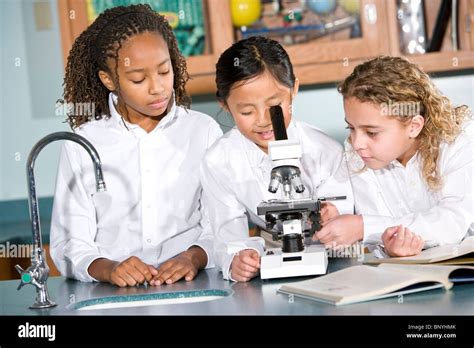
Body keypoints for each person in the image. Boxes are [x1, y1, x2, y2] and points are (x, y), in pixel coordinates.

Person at [50, 4, 222, 287]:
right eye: (138, 79)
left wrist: (194, 257)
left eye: (165, 72)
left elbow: (223, 224)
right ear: (109, 80)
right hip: (111, 295)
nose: (157, 88)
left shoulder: (202, 132)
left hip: (195, 286)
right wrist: (107, 269)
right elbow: (68, 243)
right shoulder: (83, 143)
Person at [200, 36, 354, 282]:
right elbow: (228, 232)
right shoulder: (219, 161)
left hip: (333, 268)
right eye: (247, 111)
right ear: (225, 105)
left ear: (293, 90)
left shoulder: (324, 149)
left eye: (274, 105)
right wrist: (238, 257)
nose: (263, 120)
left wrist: (333, 213)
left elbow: (344, 207)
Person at [314, 56, 473, 257]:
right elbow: (379, 242)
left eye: (371, 132)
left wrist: (364, 227)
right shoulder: (359, 154)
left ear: (414, 126)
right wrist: (390, 247)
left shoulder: (460, 140)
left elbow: (452, 223)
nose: (356, 143)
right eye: (351, 128)